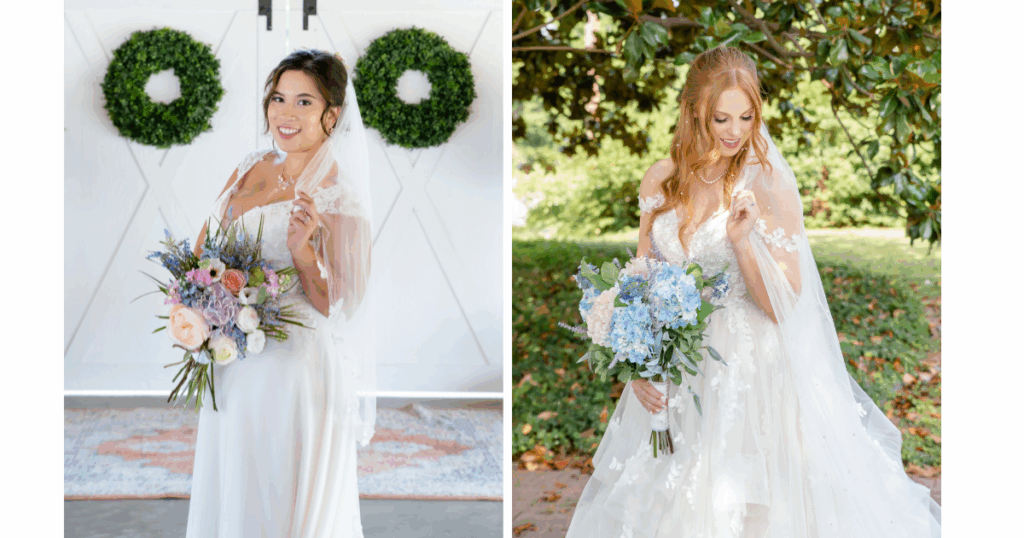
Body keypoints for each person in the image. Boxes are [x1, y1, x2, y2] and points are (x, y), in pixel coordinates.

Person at [565, 46, 940, 537]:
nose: (736, 131)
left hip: (749, 368)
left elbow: (783, 308)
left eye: (746, 116)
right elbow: (643, 278)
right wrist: (638, 366)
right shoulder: (661, 179)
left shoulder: (768, 187)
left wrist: (742, 243)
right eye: (721, 117)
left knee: (750, 503)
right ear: (692, 111)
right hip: (679, 368)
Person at [184, 49, 376, 538]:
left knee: (276, 489)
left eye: (304, 102)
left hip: (294, 365)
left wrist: (302, 253)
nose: (285, 114)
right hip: (232, 354)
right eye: (278, 98)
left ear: (332, 114)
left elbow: (344, 304)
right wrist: (199, 303)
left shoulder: (338, 193)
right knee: (235, 483)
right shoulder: (252, 165)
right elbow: (207, 245)